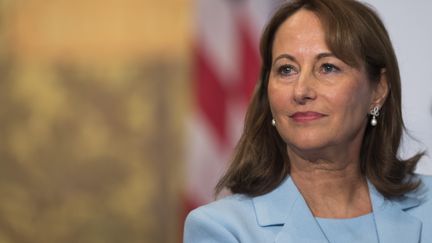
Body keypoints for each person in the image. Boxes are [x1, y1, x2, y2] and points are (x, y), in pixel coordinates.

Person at [184, 0, 432, 242]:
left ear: (378, 89)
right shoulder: (222, 228)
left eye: (328, 67)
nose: (301, 90)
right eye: (286, 69)